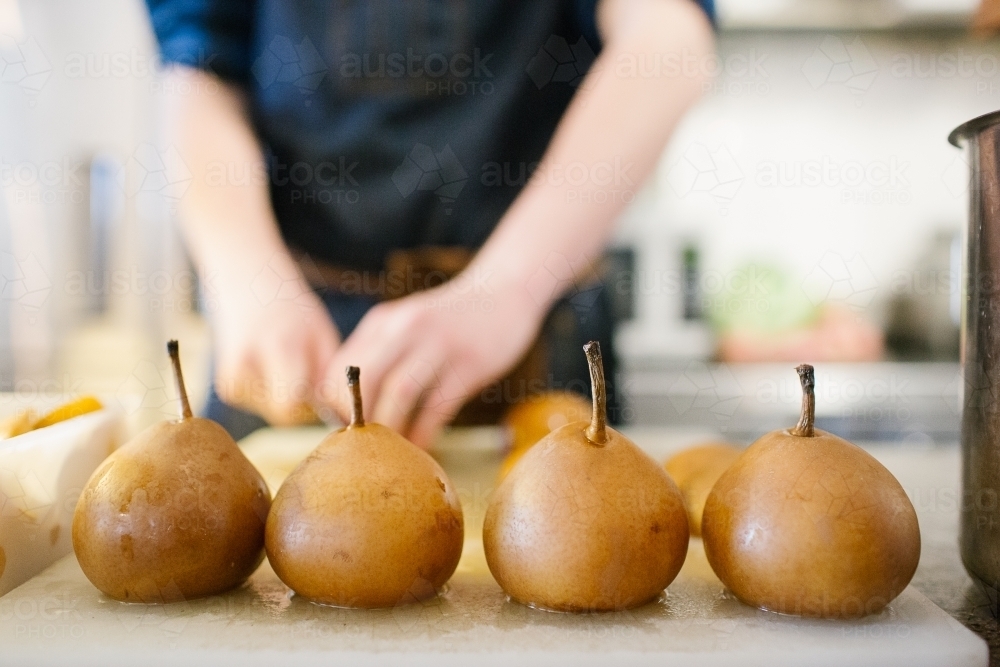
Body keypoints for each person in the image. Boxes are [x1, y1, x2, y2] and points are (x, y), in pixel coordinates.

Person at [145, 0, 715, 447]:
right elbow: (198, 68)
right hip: (297, 325)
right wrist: (247, 279)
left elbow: (667, 38)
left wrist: (504, 289)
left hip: (536, 325)